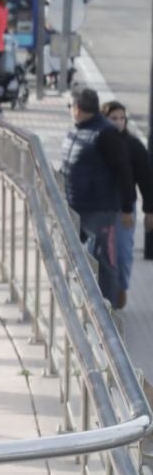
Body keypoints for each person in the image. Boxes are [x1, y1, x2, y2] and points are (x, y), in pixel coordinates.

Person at [60, 86, 137, 309]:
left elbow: (124, 171)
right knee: (76, 256)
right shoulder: (77, 130)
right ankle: (81, 304)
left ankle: (108, 312)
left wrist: (126, 208)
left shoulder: (105, 134)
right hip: (76, 207)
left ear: (77, 109)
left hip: (100, 208)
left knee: (105, 260)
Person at [102, 101, 153, 285]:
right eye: (113, 118)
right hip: (100, 207)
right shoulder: (97, 142)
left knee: (123, 252)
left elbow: (146, 180)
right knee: (97, 253)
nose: (118, 122)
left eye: (122, 118)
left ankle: (121, 287)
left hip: (125, 208)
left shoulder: (133, 145)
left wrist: (149, 210)